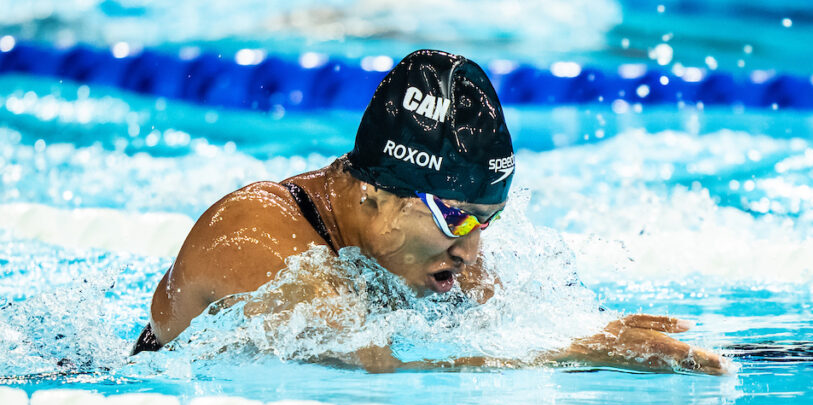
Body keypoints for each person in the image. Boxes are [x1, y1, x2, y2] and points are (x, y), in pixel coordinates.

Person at [132, 49, 726, 374]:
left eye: (486, 220)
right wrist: (580, 351)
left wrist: (598, 335)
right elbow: (375, 370)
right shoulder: (255, 234)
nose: (471, 251)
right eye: (457, 218)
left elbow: (508, 328)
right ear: (376, 194)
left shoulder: (434, 246)